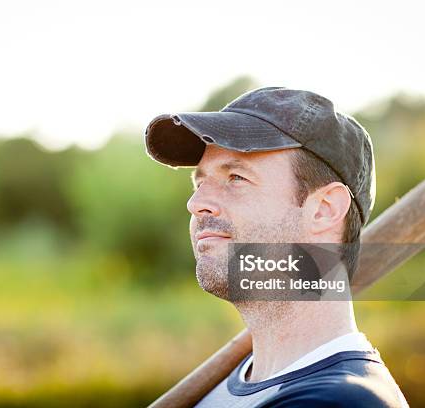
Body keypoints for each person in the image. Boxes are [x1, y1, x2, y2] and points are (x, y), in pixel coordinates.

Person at [143, 87, 408, 407]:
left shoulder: (339, 400)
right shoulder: (227, 389)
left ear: (324, 209)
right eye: (200, 182)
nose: (196, 203)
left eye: (236, 177)